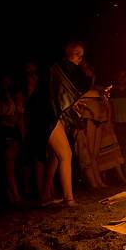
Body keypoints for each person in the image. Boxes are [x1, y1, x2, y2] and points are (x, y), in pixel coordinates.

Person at [24, 41, 94, 206]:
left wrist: (75, 104)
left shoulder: (59, 69)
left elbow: (63, 96)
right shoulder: (62, 68)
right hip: (44, 114)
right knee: (65, 154)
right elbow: (73, 91)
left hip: (44, 113)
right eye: (77, 54)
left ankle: (45, 195)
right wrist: (96, 90)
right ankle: (69, 199)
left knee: (56, 156)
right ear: (68, 53)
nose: (80, 59)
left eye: (82, 55)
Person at [0, 73, 23, 205]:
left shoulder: (11, 94)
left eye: (8, 77)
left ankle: (11, 195)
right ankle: (15, 195)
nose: (7, 80)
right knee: (8, 164)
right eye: (4, 77)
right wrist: (5, 115)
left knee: (11, 164)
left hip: (12, 130)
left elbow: (18, 114)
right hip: (3, 131)